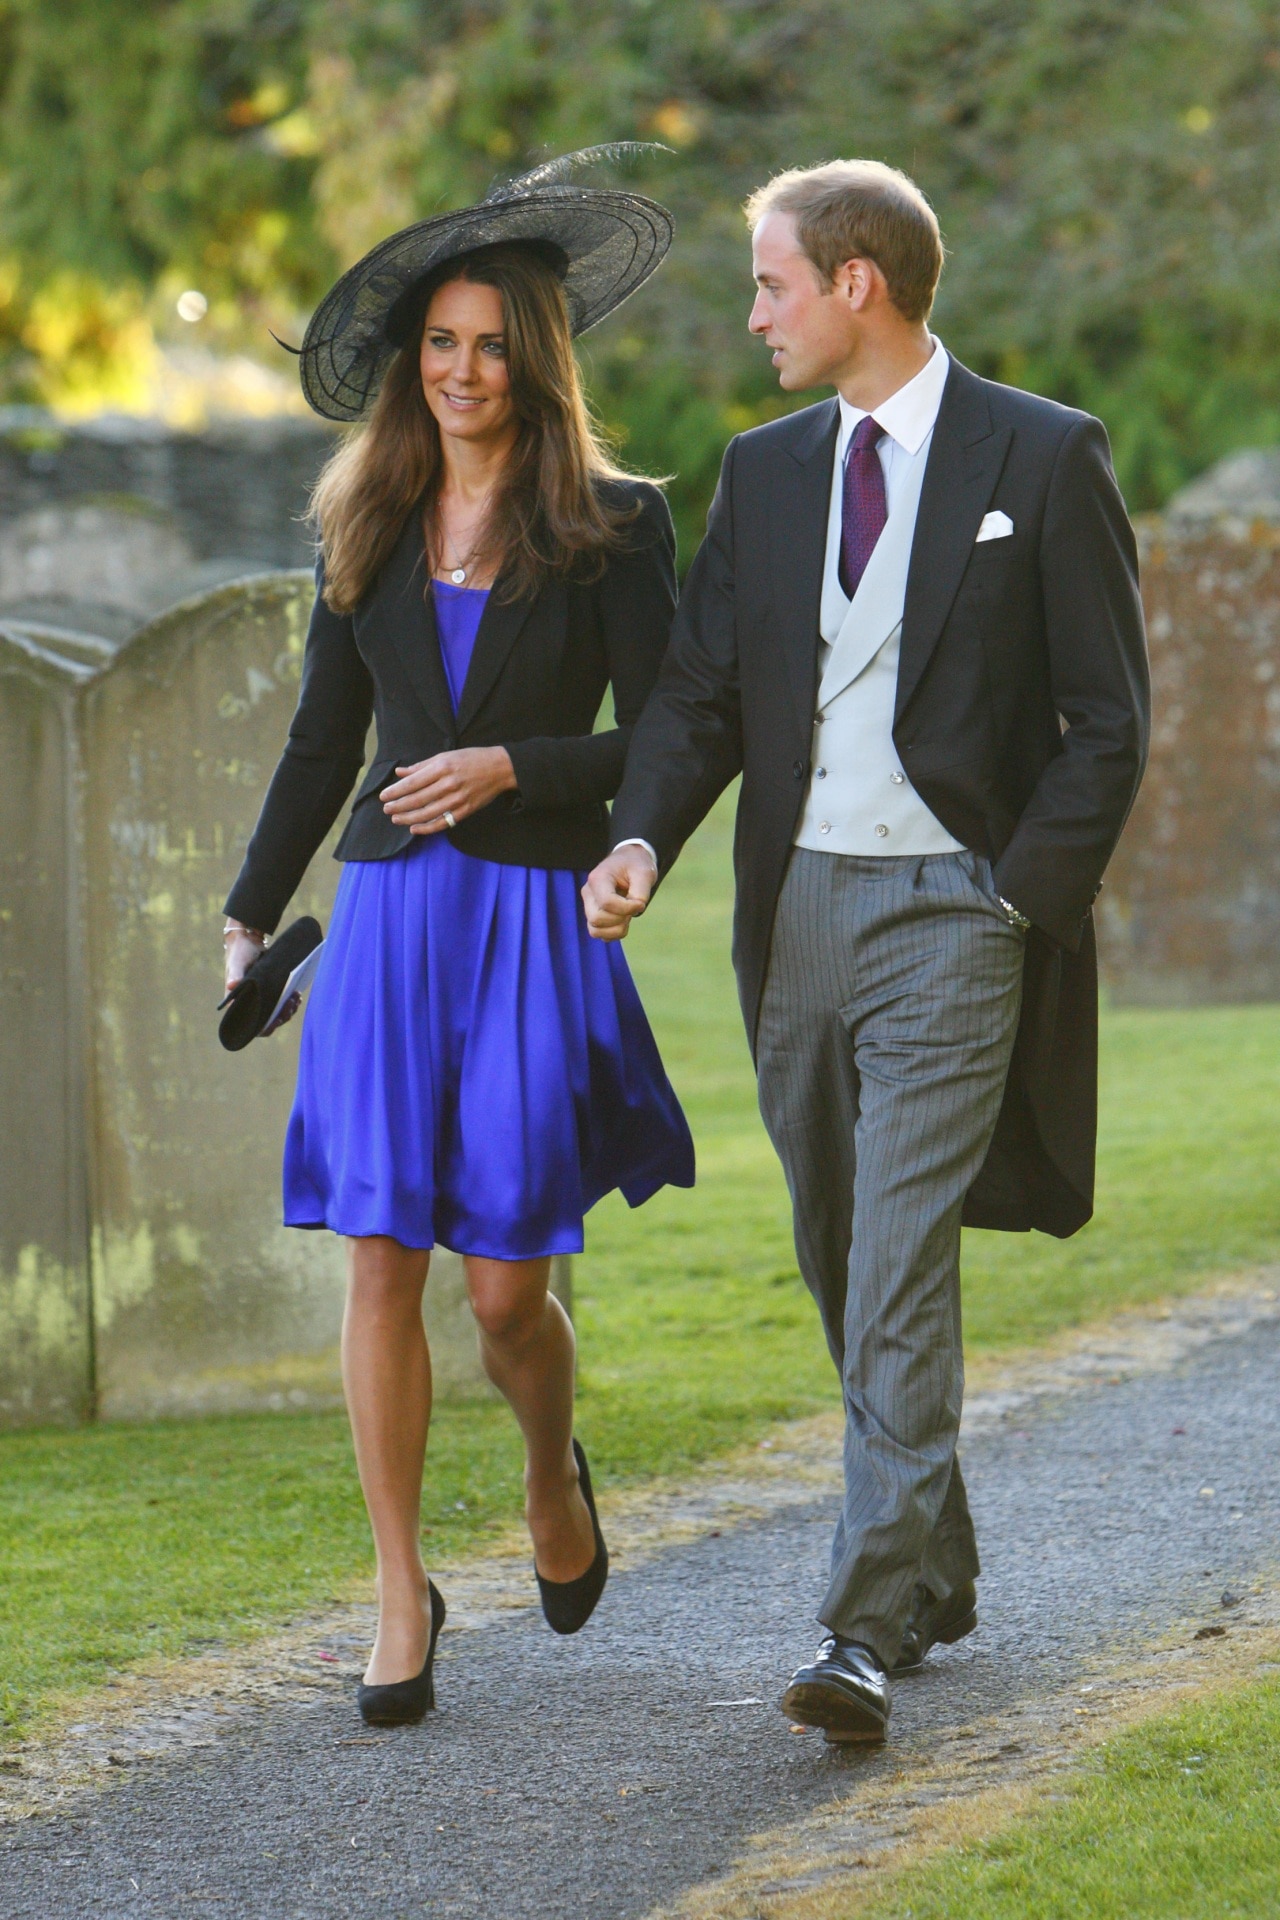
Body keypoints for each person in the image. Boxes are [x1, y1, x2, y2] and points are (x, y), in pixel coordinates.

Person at [583, 159, 1149, 1746]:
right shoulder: (763, 476)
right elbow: (698, 694)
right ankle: (937, 1567)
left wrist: (1016, 901)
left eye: (770, 284)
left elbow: (1108, 723)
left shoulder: (1044, 455)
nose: (753, 314)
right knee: (841, 1254)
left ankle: (859, 1631)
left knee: (900, 1259)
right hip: (798, 918)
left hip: (958, 921)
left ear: (857, 285)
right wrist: (637, 839)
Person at [222, 152, 694, 1729]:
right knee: (381, 1255)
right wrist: (244, 909)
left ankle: (553, 1475)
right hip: (387, 922)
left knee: (503, 1290)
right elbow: (316, 742)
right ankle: (400, 1587)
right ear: (411, 361)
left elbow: (678, 731)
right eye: (441, 341)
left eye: (493, 342)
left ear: (536, 357)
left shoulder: (617, 526)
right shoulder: (362, 517)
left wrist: (517, 769)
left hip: (530, 922)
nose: (464, 368)